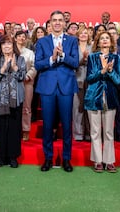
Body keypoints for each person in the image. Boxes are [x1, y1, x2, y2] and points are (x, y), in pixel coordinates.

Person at [35, 10, 79, 172]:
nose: (58, 23)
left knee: (67, 125)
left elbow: (75, 62)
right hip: (47, 87)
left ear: (65, 23)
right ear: (50, 23)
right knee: (47, 125)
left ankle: (66, 159)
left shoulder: (72, 41)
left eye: (60, 20)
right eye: (54, 20)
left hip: (66, 86)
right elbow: (38, 64)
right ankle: (48, 158)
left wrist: (62, 55)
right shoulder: (42, 42)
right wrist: (52, 59)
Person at [84, 31, 120, 173]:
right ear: (97, 42)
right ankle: (98, 161)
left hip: (110, 98)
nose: (105, 40)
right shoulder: (93, 57)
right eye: (102, 39)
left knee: (108, 131)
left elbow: (119, 80)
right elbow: (89, 78)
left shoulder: (116, 57)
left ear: (111, 42)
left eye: (107, 38)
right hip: (94, 97)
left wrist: (110, 71)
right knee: (95, 131)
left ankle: (109, 160)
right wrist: (102, 71)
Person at [0, 35, 26, 168]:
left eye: (9, 44)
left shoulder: (20, 59)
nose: (7, 46)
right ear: (0, 47)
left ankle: (13, 157)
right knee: (0, 128)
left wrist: (14, 67)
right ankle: (1, 157)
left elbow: (22, 76)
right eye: (4, 44)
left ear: (14, 46)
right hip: (0, 98)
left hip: (16, 97)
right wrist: (2, 69)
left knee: (14, 127)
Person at [15, 31, 37, 141]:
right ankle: (15, 130)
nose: (21, 38)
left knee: (26, 107)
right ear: (15, 38)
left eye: (23, 37)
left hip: (26, 82)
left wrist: (28, 76)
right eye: (19, 36)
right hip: (12, 83)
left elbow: (34, 66)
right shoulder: (11, 50)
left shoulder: (30, 52)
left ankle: (25, 129)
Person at [73, 26, 92, 141]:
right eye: (81, 33)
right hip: (76, 80)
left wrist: (88, 60)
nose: (84, 35)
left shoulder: (93, 47)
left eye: (85, 33)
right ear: (78, 35)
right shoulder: (74, 48)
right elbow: (71, 64)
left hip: (90, 82)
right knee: (77, 108)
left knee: (89, 108)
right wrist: (82, 60)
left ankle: (89, 133)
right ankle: (78, 133)